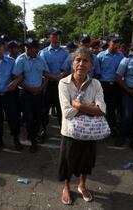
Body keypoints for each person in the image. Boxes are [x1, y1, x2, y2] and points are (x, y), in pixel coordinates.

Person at [58, 47, 106, 205]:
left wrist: (78, 105)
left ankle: (82, 185)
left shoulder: (96, 84)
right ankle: (66, 187)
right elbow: (66, 113)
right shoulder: (63, 83)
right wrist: (91, 109)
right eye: (78, 60)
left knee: (86, 161)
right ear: (72, 64)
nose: (81, 63)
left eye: (85, 61)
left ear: (91, 65)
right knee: (68, 161)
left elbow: (102, 110)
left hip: (89, 132)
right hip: (70, 132)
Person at [13, 38, 49, 153]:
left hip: (39, 93)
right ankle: (33, 141)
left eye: (30, 47)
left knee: (39, 117)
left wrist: (42, 88)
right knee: (29, 118)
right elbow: (16, 78)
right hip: (26, 94)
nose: (27, 49)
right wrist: (29, 89)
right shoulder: (21, 59)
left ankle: (34, 134)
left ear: (36, 49)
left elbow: (46, 75)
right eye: (26, 47)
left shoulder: (41, 60)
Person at [39, 28, 69, 142]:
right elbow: (43, 70)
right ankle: (43, 130)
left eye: (57, 35)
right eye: (53, 35)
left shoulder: (65, 52)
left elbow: (67, 68)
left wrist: (59, 76)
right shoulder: (43, 52)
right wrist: (54, 77)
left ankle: (63, 131)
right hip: (48, 84)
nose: (56, 37)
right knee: (44, 110)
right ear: (49, 37)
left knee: (61, 109)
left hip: (62, 85)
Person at [96, 32, 125, 138]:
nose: (117, 44)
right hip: (103, 85)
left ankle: (110, 127)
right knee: (101, 107)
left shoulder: (121, 56)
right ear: (109, 42)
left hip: (116, 85)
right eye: (114, 42)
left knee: (112, 108)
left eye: (118, 42)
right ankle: (99, 128)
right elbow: (97, 73)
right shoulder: (100, 56)